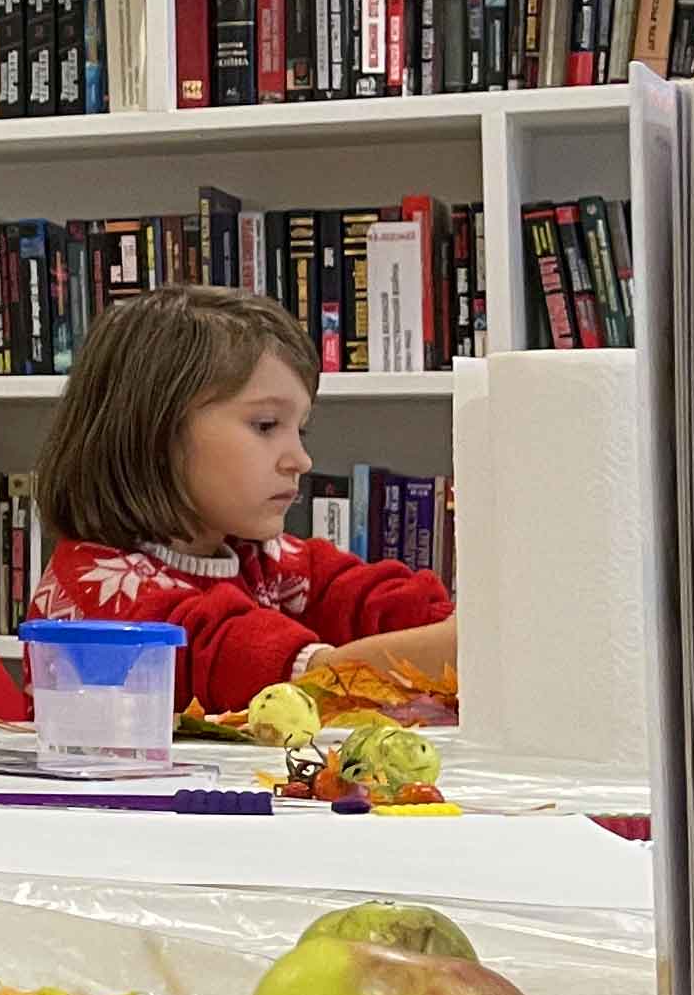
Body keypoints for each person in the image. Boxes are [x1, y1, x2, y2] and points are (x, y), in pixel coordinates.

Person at [28, 284, 456, 712]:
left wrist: (447, 623)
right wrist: (459, 648)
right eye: (266, 425)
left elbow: (364, 597)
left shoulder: (261, 557)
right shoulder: (95, 591)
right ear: (153, 431)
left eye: (300, 430)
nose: (301, 460)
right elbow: (250, 667)